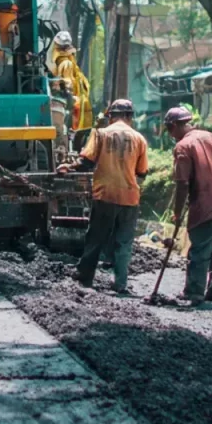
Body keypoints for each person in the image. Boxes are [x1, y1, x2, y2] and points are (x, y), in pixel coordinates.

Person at [163, 105, 212, 306]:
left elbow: (182, 183)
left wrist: (177, 212)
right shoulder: (211, 138)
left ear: (173, 126)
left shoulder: (183, 147)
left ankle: (194, 292)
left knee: (200, 249)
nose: (171, 135)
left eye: (169, 130)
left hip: (208, 203)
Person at [72, 98, 149, 295]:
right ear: (130, 117)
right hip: (130, 197)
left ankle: (85, 277)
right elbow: (142, 172)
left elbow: (86, 162)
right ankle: (120, 283)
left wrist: (68, 167)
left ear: (111, 117)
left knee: (96, 236)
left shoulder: (100, 134)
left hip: (105, 194)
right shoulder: (140, 139)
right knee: (124, 241)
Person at [48, 30, 93, 142]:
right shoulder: (66, 64)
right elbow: (68, 86)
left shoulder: (66, 62)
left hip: (77, 105)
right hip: (74, 106)